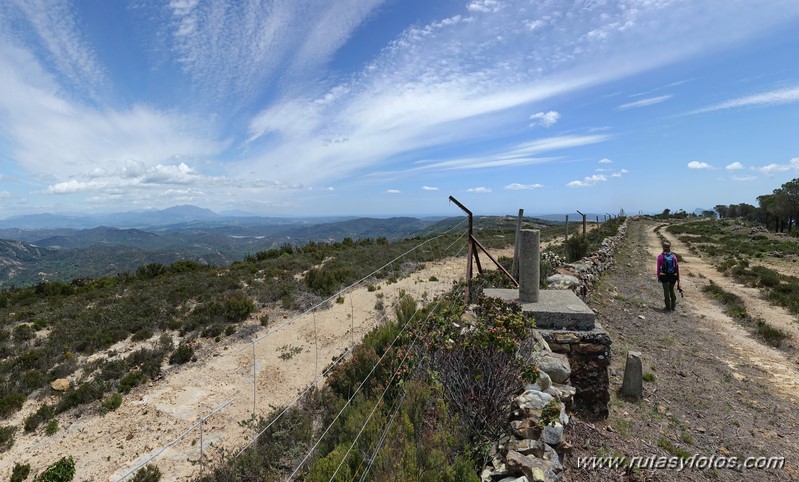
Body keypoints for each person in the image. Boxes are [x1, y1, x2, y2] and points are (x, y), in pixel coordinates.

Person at [657, 241, 680, 311]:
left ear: (663, 247)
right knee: (672, 290)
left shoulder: (660, 256)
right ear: (669, 247)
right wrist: (678, 277)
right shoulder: (674, 256)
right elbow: (677, 267)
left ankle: (668, 307)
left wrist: (658, 276)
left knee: (666, 291)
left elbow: (658, 267)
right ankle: (673, 305)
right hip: (673, 276)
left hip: (664, 276)